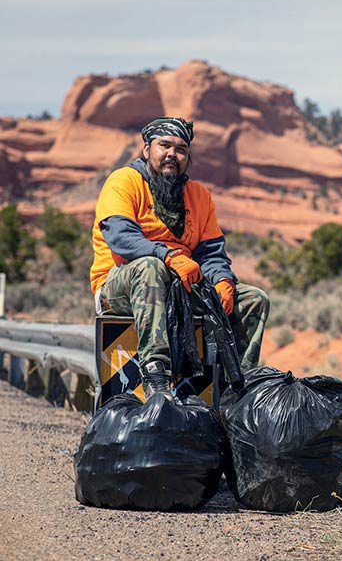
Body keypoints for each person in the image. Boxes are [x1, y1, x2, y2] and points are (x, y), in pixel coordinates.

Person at [90, 117, 270, 397]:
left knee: (253, 299)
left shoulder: (199, 196)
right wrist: (170, 256)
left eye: (181, 149)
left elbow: (210, 252)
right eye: (165, 145)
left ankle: (235, 393)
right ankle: (155, 377)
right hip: (120, 288)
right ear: (147, 148)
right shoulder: (123, 181)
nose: (173, 154)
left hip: (180, 289)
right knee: (151, 268)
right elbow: (120, 236)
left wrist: (222, 280)